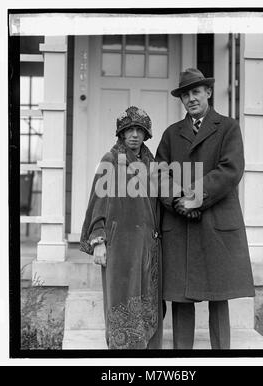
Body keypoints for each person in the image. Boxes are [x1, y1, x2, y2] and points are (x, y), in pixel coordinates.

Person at [155, 68, 255, 349]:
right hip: (179, 223)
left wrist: (194, 195)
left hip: (216, 220)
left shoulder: (228, 127)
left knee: (218, 296)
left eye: (196, 92)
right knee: (181, 299)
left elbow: (230, 170)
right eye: (185, 94)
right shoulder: (171, 134)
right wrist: (178, 199)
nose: (191, 99)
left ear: (208, 92)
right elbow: (159, 173)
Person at [80, 106, 163, 349]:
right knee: (121, 299)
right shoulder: (111, 159)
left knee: (148, 301)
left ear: (146, 134)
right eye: (129, 130)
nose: (134, 134)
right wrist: (99, 241)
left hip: (147, 245)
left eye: (139, 130)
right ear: (121, 134)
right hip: (120, 245)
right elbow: (98, 201)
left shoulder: (151, 163)